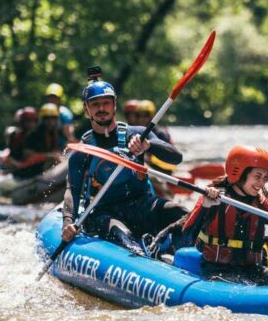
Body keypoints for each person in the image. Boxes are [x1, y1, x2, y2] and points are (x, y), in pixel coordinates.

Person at [60, 79, 188, 253]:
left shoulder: (137, 134)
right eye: (95, 104)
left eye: (106, 103)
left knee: (181, 213)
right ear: (86, 109)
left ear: (114, 105)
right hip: (105, 212)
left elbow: (177, 158)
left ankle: (182, 252)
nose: (101, 108)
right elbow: (73, 190)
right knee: (123, 237)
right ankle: (140, 255)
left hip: (142, 205)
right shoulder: (82, 152)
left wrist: (149, 145)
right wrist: (68, 221)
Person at [180, 145, 268, 285]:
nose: (261, 183)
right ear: (239, 174)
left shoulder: (263, 203)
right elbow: (187, 237)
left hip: (252, 269)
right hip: (217, 269)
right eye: (257, 176)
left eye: (265, 177)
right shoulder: (214, 198)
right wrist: (205, 206)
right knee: (235, 281)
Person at [20, 103, 64, 178]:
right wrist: (49, 156)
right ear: (43, 119)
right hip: (32, 167)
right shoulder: (35, 133)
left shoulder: (54, 132)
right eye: (47, 118)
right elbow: (27, 154)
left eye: (53, 118)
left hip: (44, 163)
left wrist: (56, 154)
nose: (50, 121)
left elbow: (55, 149)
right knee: (53, 158)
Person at [0, 106, 39, 176]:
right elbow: (11, 156)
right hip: (19, 168)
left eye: (32, 121)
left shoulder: (39, 135)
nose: (30, 124)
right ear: (22, 122)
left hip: (32, 167)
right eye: (27, 121)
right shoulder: (15, 136)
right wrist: (18, 164)